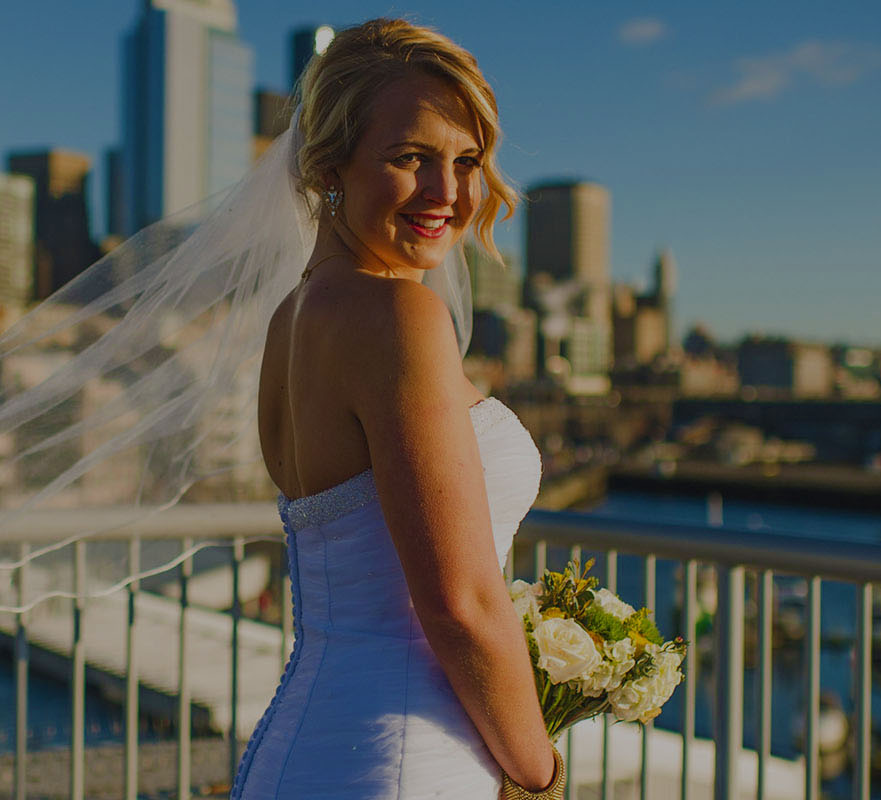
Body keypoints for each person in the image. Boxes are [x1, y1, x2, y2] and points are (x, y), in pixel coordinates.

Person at [233, 19, 565, 800]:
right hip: (406, 764)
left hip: (305, 749)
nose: (447, 194)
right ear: (331, 165)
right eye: (410, 157)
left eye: (466, 162)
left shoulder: (293, 317)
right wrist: (541, 772)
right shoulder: (396, 317)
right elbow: (458, 604)